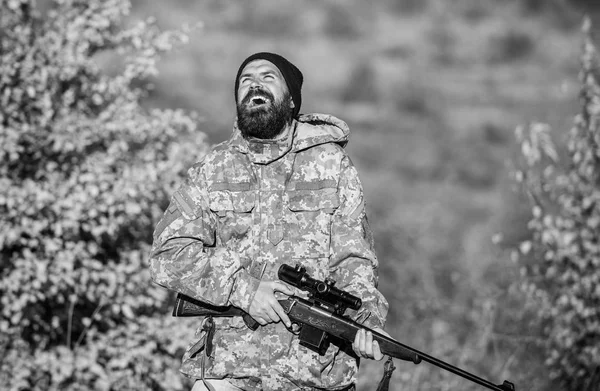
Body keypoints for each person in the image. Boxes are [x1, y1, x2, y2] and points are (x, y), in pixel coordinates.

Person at [149, 52, 389, 391]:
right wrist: (244, 290)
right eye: (245, 80)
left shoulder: (332, 164)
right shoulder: (213, 168)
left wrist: (367, 321)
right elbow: (168, 256)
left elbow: (355, 260)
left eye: (268, 77)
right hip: (226, 372)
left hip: (316, 374)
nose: (254, 84)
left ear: (291, 100)